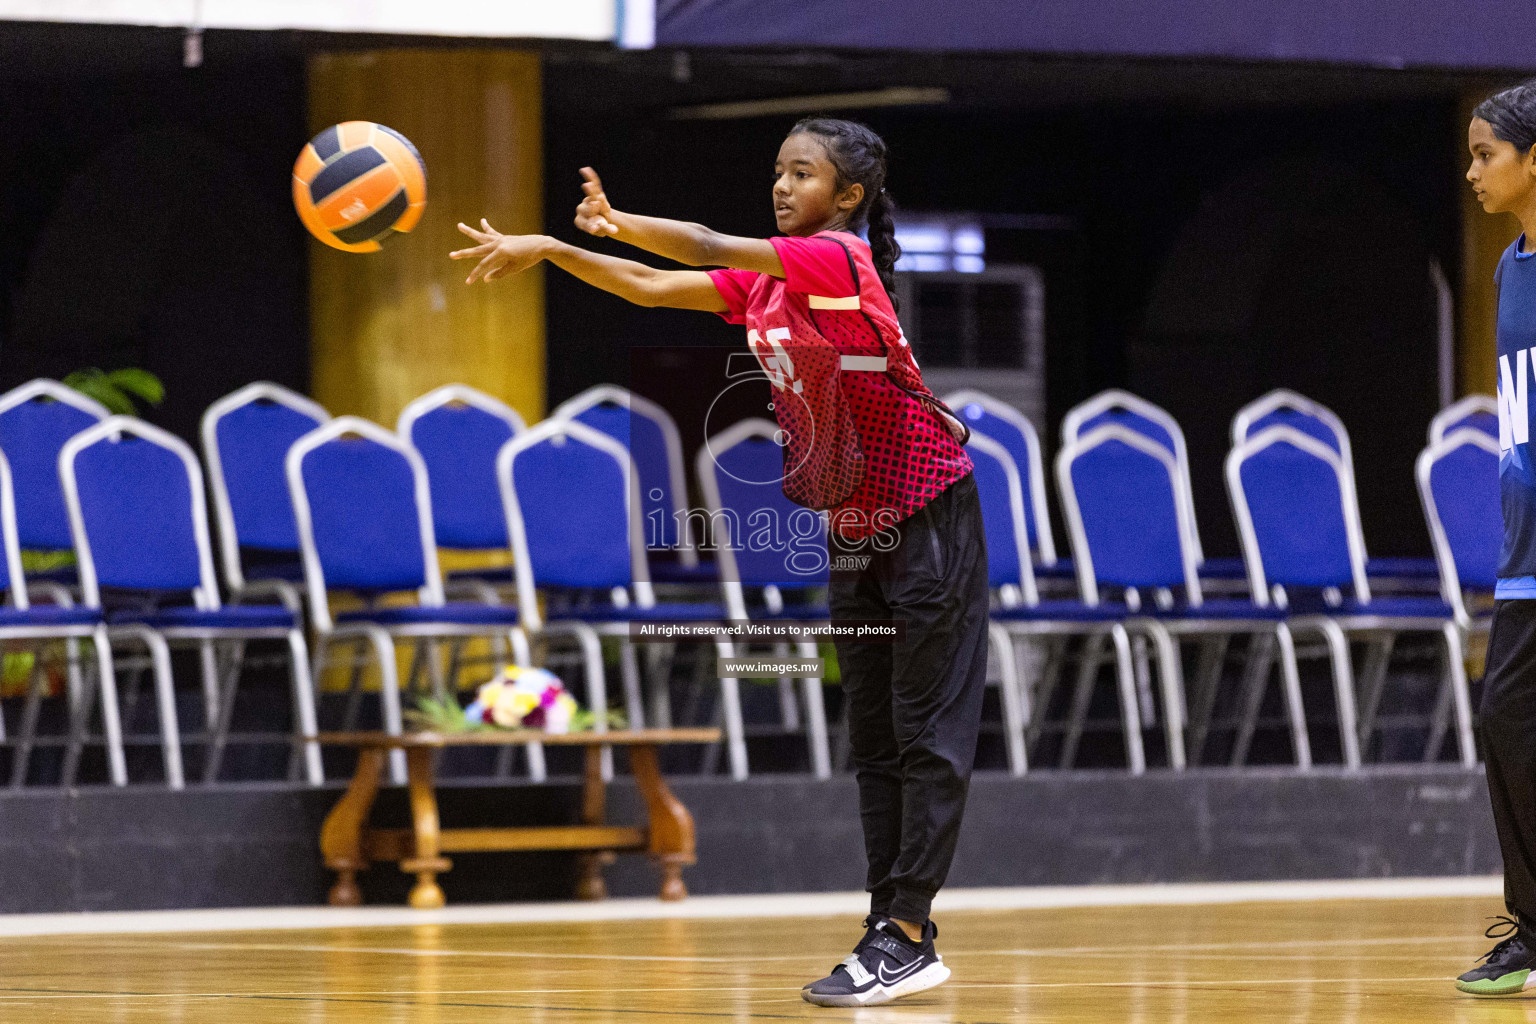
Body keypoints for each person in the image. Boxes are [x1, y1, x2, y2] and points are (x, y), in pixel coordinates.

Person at [451, 117, 991, 1007]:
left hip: (931, 513)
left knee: (927, 737)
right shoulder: (770, 289)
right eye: (778, 171)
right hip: (854, 525)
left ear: (846, 197)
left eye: (803, 174)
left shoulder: (841, 259)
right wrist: (552, 248)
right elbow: (647, 288)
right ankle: (896, 933)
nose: (782, 187)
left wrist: (618, 220)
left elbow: (694, 242)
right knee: (875, 742)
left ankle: (902, 932)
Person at [1457, 78, 1536, 997]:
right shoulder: (1509, 267)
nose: (1473, 171)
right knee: (1508, 725)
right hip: (1524, 559)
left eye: (1487, 154)